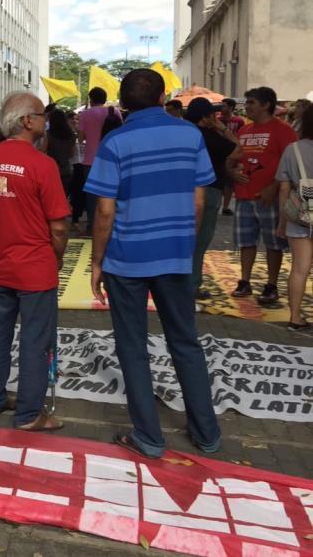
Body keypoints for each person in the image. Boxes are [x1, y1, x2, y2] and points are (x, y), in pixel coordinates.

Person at [86, 68, 221, 458]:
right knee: (186, 342)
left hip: (126, 259)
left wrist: (97, 262)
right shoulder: (190, 135)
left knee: (132, 346)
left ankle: (149, 436)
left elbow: (105, 212)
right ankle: (207, 434)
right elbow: (198, 201)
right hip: (176, 256)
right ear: (163, 97)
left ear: (124, 103)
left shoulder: (115, 142)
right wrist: (185, 244)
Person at [0, 92, 70, 431]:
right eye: (42, 115)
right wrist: (56, 259)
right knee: (36, 338)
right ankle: (30, 413)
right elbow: (58, 226)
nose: (46, 121)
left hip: (1, 263)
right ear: (28, 121)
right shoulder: (43, 165)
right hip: (34, 267)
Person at [226, 86, 296, 304]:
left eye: (251, 103)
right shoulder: (244, 131)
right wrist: (232, 172)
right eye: (246, 103)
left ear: (266, 105)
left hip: (270, 199)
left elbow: (291, 164)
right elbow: (234, 158)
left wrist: (273, 186)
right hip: (244, 196)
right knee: (245, 242)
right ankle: (244, 281)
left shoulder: (283, 130)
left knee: (274, 243)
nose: (247, 107)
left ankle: (271, 285)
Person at [184, 98, 241, 299]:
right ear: (206, 117)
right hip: (208, 190)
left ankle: (177, 285)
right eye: (213, 115)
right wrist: (223, 128)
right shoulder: (208, 136)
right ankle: (191, 287)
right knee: (200, 240)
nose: (216, 118)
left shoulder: (183, 131)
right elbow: (238, 150)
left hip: (182, 190)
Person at [277, 103, 313, 329]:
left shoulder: (293, 149)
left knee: (299, 269)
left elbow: (283, 188)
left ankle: (295, 317)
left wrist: (282, 221)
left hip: (299, 215)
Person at [78, 87, 120, 236]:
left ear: (91, 99)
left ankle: (91, 228)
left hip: (90, 160)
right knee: (112, 194)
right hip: (112, 159)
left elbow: (80, 138)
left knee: (91, 196)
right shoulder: (114, 112)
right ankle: (112, 227)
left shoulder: (85, 114)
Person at [219, 98, 244, 215]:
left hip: (232, 153)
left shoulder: (239, 121)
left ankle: (225, 206)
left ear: (231, 107)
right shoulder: (217, 120)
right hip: (220, 152)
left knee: (229, 181)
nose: (221, 108)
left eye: (224, 106)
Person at [45, 106, 76, 196]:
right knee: (63, 197)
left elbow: (43, 151)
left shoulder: (48, 134)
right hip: (66, 170)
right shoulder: (71, 135)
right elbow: (71, 154)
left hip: (51, 170)